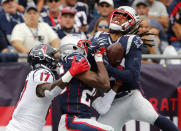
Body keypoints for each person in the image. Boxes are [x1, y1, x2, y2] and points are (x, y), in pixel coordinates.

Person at [90, 6, 179, 131]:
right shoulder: (98, 37)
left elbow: (132, 76)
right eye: (116, 15)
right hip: (112, 102)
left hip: (131, 96)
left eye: (124, 17)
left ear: (131, 23)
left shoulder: (131, 40)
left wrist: (105, 66)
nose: (118, 18)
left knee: (156, 118)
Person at [6, 44, 90, 131]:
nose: (55, 59)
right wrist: (71, 72)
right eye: (52, 55)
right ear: (44, 58)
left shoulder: (36, 73)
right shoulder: (43, 72)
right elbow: (49, 91)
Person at [57, 35, 114, 131]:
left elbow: (104, 87)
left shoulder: (79, 72)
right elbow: (104, 84)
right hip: (73, 120)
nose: (87, 50)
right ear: (73, 47)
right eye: (84, 46)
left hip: (79, 120)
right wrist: (98, 57)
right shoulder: (73, 58)